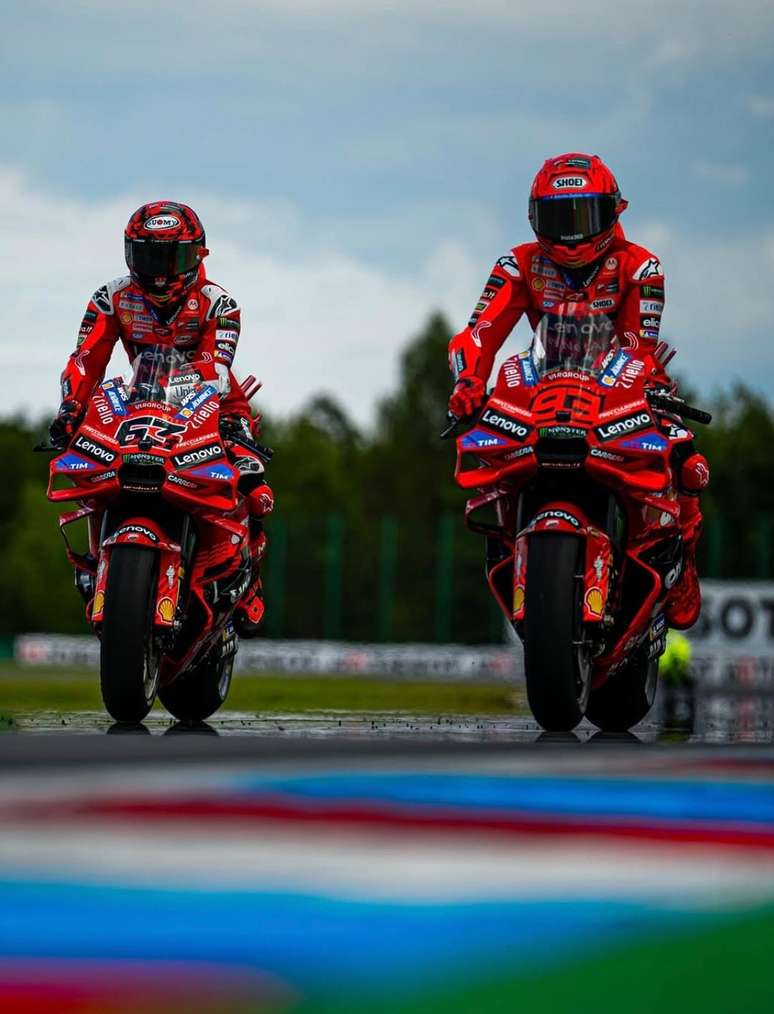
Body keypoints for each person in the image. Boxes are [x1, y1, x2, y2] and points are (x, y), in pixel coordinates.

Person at [447, 153, 708, 628]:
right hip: (541, 385)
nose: (571, 236)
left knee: (685, 455)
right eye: (557, 218)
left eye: (584, 217)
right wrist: (468, 380)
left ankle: (681, 554)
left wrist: (647, 385)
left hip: (622, 385)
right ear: (534, 219)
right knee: (487, 451)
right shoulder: (516, 264)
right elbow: (477, 334)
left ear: (613, 212)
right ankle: (507, 536)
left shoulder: (641, 267)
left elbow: (637, 346)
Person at [49, 201, 271, 636]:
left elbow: (215, 368)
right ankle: (98, 562)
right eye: (148, 257)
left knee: (253, 480)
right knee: (90, 458)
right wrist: (71, 408)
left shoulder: (218, 304)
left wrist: (225, 421)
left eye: (173, 258)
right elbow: (85, 359)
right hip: (141, 398)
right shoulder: (110, 297)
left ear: (198, 256)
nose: (159, 272)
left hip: (217, 402)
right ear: (130, 255)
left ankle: (245, 579)